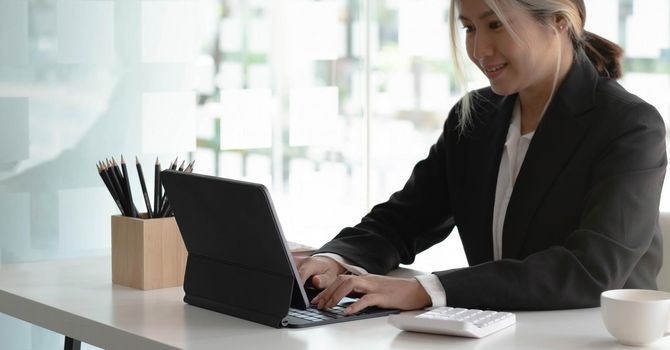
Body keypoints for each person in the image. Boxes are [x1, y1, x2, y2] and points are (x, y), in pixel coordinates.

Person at [296, 0, 667, 315]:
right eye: (470, 28)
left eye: (495, 25)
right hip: (495, 332)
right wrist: (335, 260)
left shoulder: (630, 125)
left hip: (587, 335)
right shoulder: (474, 117)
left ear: (559, 21)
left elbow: (590, 271)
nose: (479, 49)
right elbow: (404, 219)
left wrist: (428, 290)